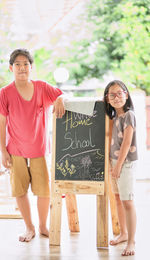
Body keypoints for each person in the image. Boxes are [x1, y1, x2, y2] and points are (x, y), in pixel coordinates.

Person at [0, 48, 65, 242]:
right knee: (20, 190)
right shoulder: (4, 93)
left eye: (25, 64)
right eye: (18, 65)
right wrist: (2, 151)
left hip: (38, 150)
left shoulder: (42, 87)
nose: (22, 68)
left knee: (43, 190)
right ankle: (29, 228)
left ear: (31, 67)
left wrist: (61, 98)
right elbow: (1, 123)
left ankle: (43, 225)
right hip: (16, 150)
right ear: (11, 68)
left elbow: (61, 95)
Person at [103, 80, 138, 256]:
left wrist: (117, 166)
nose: (116, 97)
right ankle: (123, 233)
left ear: (126, 94)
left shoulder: (129, 115)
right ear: (107, 99)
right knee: (118, 199)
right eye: (112, 94)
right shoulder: (115, 117)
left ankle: (131, 241)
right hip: (113, 163)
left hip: (125, 163)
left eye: (120, 93)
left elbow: (126, 142)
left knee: (128, 202)